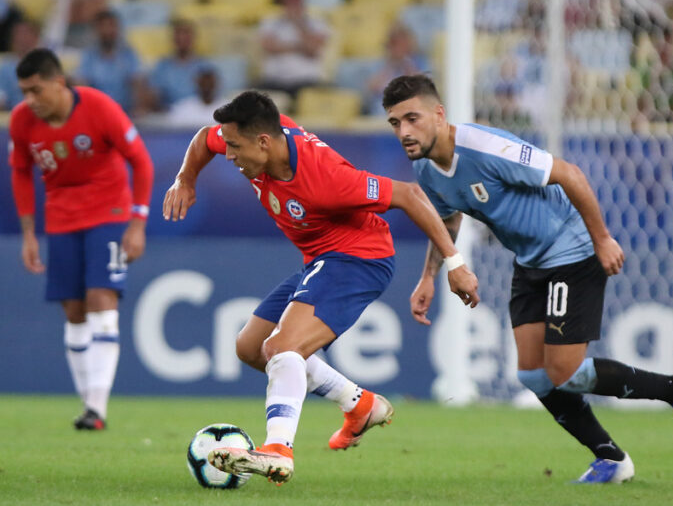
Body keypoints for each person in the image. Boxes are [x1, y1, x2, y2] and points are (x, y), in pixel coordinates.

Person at [382, 74, 673, 484]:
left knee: (564, 371)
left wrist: (602, 238)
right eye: (396, 123)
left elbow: (569, 174)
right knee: (533, 375)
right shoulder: (426, 169)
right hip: (530, 262)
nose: (404, 131)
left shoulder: (485, 147)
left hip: (571, 251)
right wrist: (431, 275)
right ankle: (610, 458)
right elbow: (449, 216)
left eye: (412, 118)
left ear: (439, 113)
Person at [163, 90, 479, 485]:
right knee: (250, 347)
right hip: (321, 260)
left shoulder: (324, 176)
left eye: (235, 147)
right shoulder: (255, 141)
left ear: (263, 142)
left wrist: (455, 263)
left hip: (359, 259)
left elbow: (409, 194)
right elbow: (202, 140)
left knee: (281, 348)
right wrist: (184, 180)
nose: (228, 155)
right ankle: (359, 404)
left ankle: (278, 449)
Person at [8, 48, 154, 430]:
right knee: (73, 311)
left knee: (100, 299)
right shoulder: (22, 121)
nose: (29, 101)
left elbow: (141, 160)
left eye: (36, 90)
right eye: (24, 92)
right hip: (60, 219)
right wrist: (28, 233)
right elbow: (21, 173)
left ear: (58, 82)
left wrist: (137, 223)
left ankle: (96, 408)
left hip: (109, 214)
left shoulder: (99, 106)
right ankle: (89, 403)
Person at [256, 0, 329, 100]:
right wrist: (299, 47)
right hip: (274, 80)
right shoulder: (270, 22)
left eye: (295, 1)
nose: (292, 5)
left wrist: (298, 23)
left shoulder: (316, 23)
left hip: (305, 81)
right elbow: (269, 47)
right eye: (289, 1)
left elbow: (312, 49)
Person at [75, 9, 142, 114]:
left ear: (117, 29)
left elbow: (138, 84)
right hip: (97, 113)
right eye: (102, 26)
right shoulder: (89, 56)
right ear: (96, 30)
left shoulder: (128, 55)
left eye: (111, 26)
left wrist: (139, 110)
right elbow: (82, 86)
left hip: (125, 113)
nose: (107, 31)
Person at [146, 19, 211, 112]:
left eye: (186, 34)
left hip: (197, 115)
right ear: (173, 38)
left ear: (193, 38)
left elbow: (210, 97)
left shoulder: (204, 66)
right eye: (179, 34)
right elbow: (154, 96)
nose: (182, 38)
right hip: (170, 116)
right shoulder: (162, 67)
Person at [0, 20, 40, 110]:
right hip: (13, 115)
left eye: (26, 34)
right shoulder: (6, 67)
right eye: (18, 34)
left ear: (35, 37)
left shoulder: (46, 64)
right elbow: (2, 96)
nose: (22, 38)